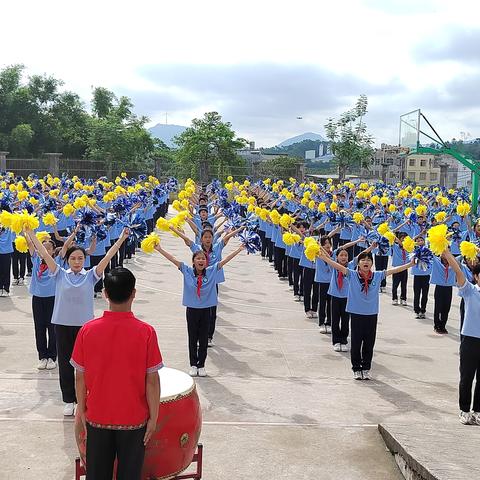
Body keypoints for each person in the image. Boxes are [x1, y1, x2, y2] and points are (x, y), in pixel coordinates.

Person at [25, 227, 130, 416]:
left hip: (85, 327)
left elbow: (108, 257)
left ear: (85, 260)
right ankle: (68, 399)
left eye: (80, 258)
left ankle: (85, 398)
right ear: (67, 260)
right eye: (73, 258)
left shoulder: (91, 276)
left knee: (87, 364)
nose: (76, 261)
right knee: (65, 364)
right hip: (62, 325)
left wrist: (122, 239)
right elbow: (42, 252)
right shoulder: (59, 273)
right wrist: (31, 234)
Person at [71, 267, 162, 479]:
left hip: (97, 416)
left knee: (97, 473)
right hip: (134, 419)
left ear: (105, 293)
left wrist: (81, 410)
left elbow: (80, 377)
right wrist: (154, 418)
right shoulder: (146, 332)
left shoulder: (87, 330)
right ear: (134, 293)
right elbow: (152, 382)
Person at [319, 249, 415, 380]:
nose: (366, 262)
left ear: (372, 264)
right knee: (356, 342)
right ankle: (356, 368)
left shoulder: (377, 275)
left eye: (369, 260)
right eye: (363, 260)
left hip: (371, 314)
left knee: (369, 343)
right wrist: (324, 258)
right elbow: (338, 266)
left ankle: (366, 367)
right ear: (358, 263)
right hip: (357, 314)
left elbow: (394, 270)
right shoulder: (352, 275)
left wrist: (410, 264)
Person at [153, 242, 245, 377]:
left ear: (206, 262)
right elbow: (173, 259)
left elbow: (225, 261)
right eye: (198, 258)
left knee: (203, 338)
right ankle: (193, 364)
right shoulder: (187, 271)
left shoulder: (212, 271)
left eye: (203, 259)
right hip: (192, 310)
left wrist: (239, 249)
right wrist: (159, 249)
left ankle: (201, 365)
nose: (201, 260)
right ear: (193, 261)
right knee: (192, 338)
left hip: (206, 309)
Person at [443, 249, 480, 425]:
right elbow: (458, 270)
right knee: (466, 376)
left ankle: (478, 411)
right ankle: (464, 410)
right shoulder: (470, 290)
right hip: (470, 339)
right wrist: (447, 253)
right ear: (477, 277)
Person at [430, 254, 455, 334]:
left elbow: (463, 256)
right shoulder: (436, 260)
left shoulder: (453, 262)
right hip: (439, 288)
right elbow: (429, 252)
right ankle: (436, 325)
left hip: (448, 288)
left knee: (446, 308)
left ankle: (443, 326)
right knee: (438, 307)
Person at [412, 236, 431, 319]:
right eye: (418, 241)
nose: (420, 242)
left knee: (425, 294)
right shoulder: (413, 250)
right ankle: (416, 310)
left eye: (421, 240)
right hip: (417, 275)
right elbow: (409, 242)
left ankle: (423, 310)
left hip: (426, 275)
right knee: (417, 294)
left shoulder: (428, 250)